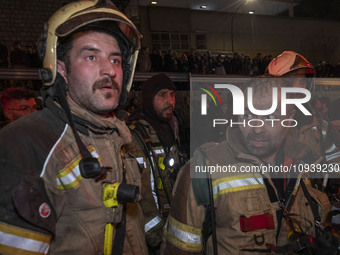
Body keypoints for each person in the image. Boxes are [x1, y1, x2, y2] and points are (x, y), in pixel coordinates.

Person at [0, 0, 148, 254]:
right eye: (91, 56)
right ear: (60, 69)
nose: (109, 70)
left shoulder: (123, 138)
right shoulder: (26, 143)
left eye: (115, 60)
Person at [162, 77, 332, 254]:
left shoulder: (308, 163)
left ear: (289, 118)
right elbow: (180, 248)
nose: (257, 128)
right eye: (248, 114)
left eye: (270, 116)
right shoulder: (205, 168)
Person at [125, 73, 184, 254]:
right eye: (162, 95)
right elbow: (140, 192)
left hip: (172, 222)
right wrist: (157, 238)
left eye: (172, 95)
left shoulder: (169, 127)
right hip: (152, 236)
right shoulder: (135, 136)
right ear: (149, 99)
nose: (170, 101)